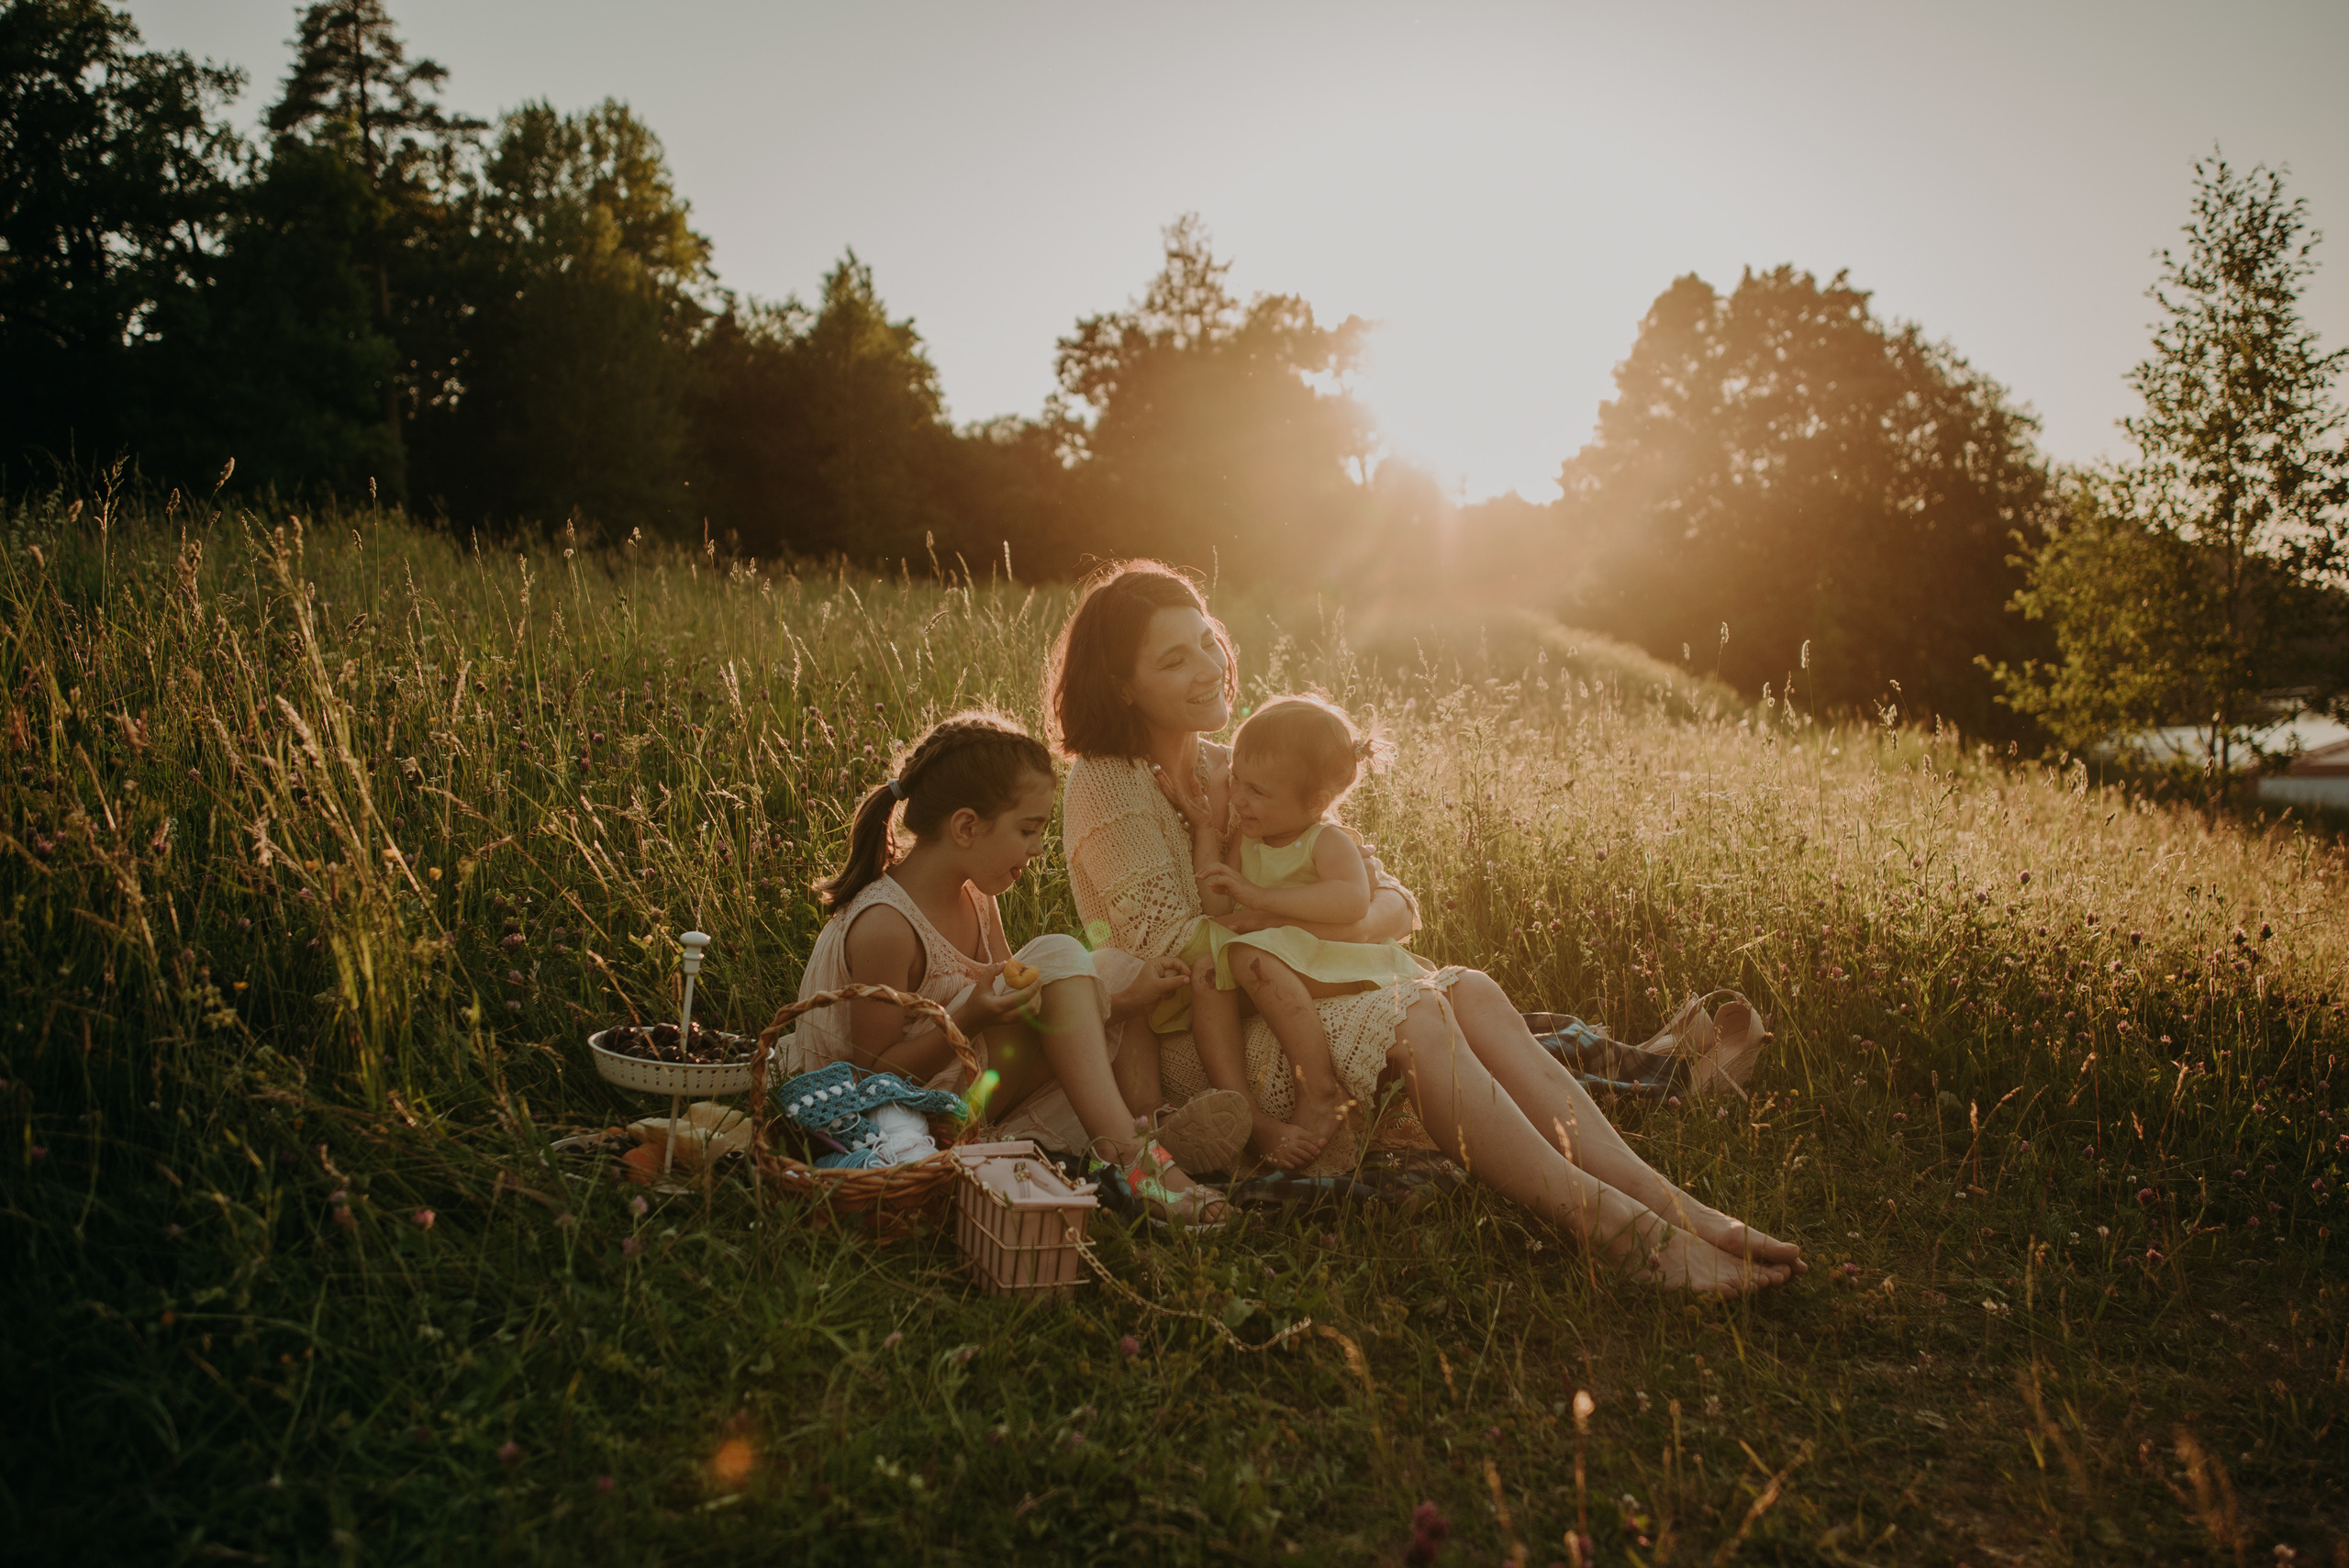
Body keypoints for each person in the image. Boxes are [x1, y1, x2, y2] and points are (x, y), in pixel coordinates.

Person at [1048, 562, 1806, 1293]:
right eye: (1174, 659)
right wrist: (1318, 929)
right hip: (1192, 1041)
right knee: (1413, 1011)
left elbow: (1385, 896)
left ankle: (1667, 1201)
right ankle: (1616, 1229)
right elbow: (1167, 954)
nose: (1209, 666)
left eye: (1207, 640)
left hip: (1287, 986)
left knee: (1470, 989)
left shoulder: (1233, 759)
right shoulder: (1105, 783)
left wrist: (1327, 923)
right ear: (1121, 684)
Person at [782, 709, 1230, 1225]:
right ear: (966, 827)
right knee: (1060, 953)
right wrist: (967, 1018)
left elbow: (1032, 1005)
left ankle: (1144, 1125)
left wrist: (1124, 1001)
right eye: (1027, 830)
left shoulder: (976, 897)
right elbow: (870, 1078)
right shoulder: (886, 925)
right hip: (893, 1118)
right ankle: (1131, 1158)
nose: (1037, 849)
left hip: (967, 1086)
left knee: (1116, 966)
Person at [1167, 695, 1426, 1168]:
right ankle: (1239, 1108)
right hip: (1280, 961)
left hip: (1332, 960)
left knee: (1246, 957)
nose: (1238, 799)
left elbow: (1350, 902)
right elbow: (1219, 905)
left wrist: (1260, 898)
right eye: (1235, 780)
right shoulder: (1249, 837)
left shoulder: (1327, 840)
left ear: (1317, 802)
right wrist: (1205, 831)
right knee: (1207, 973)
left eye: (1257, 791)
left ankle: (1319, 1089)